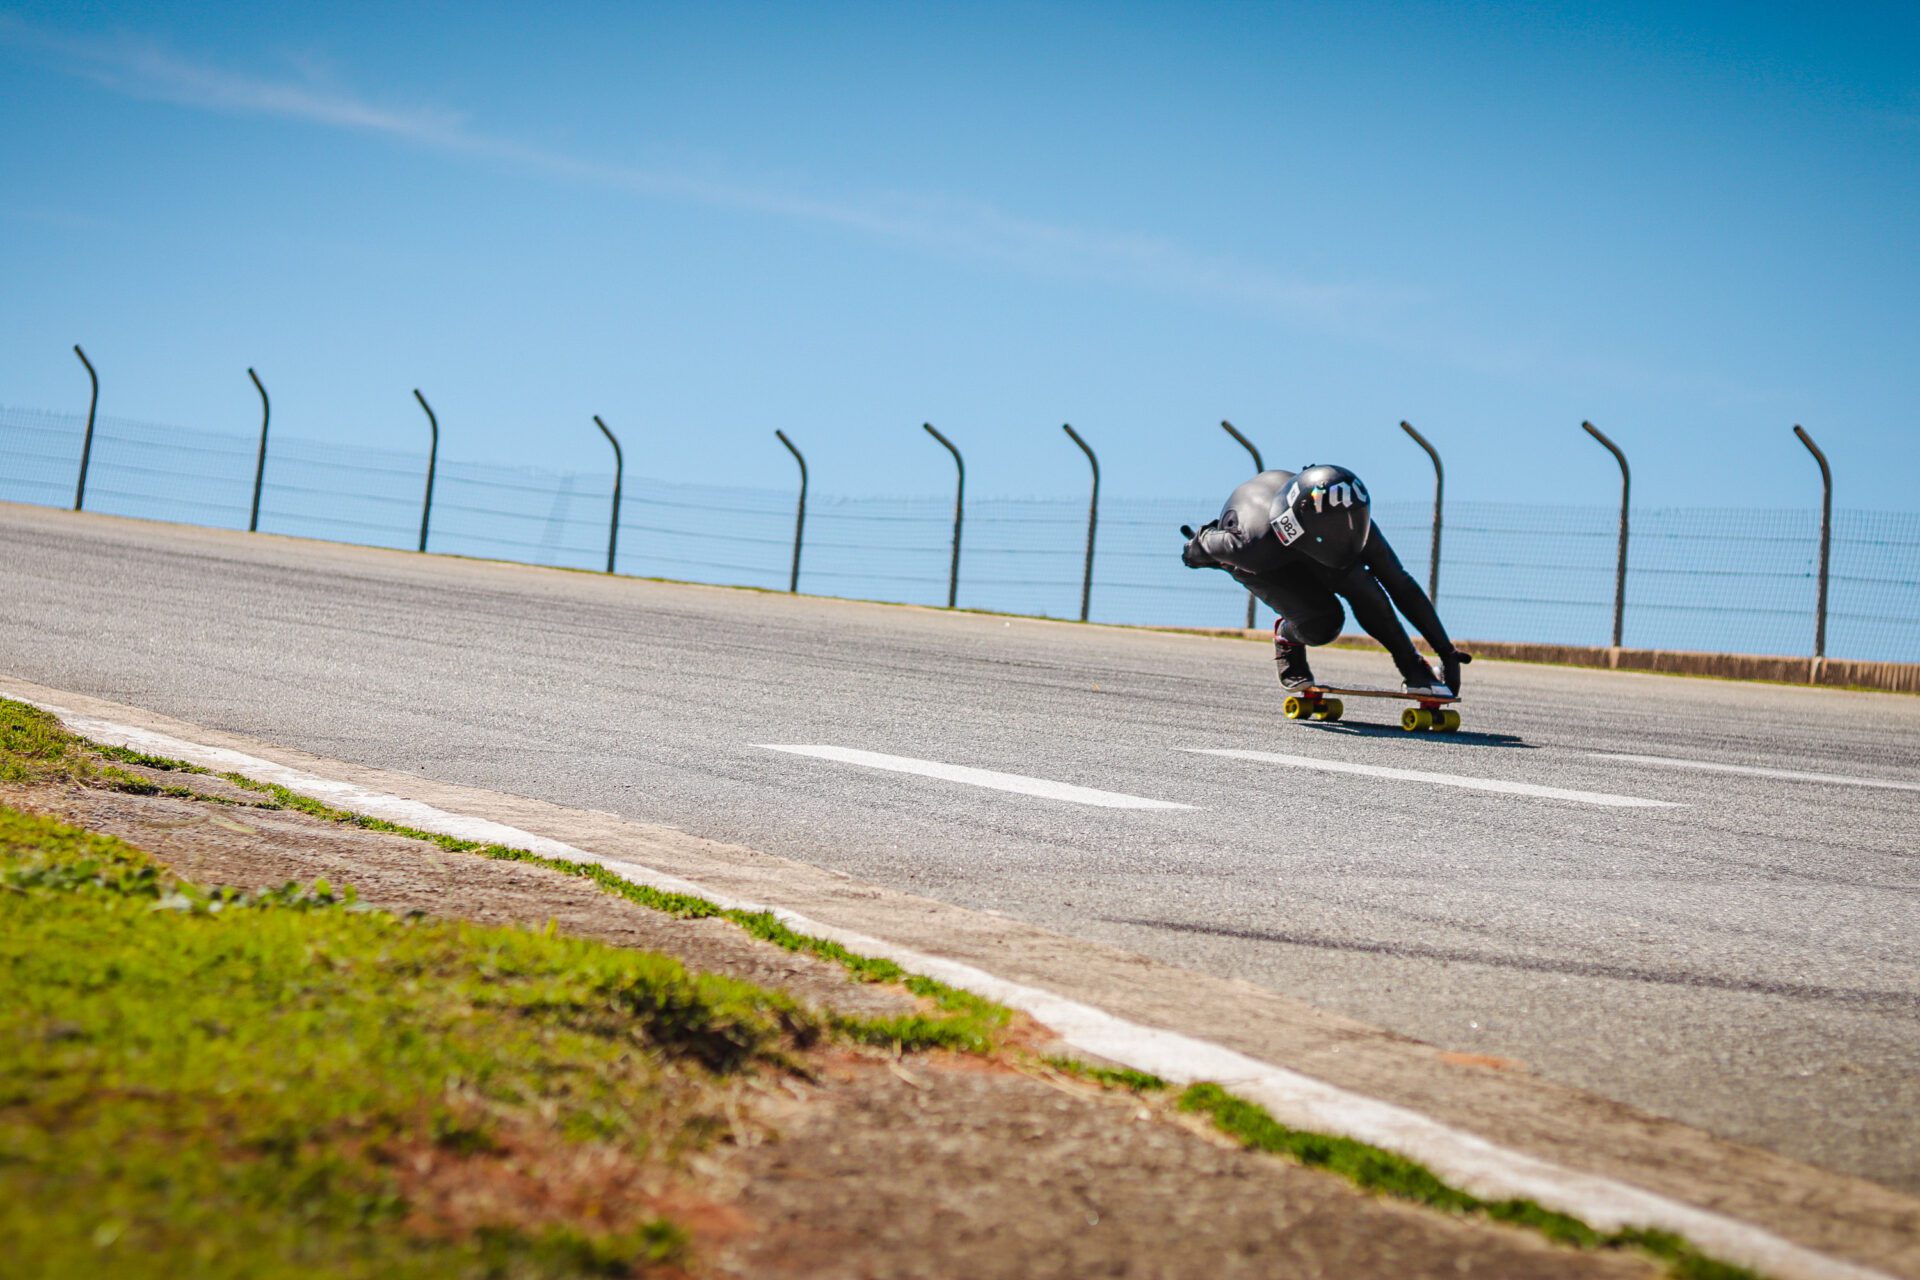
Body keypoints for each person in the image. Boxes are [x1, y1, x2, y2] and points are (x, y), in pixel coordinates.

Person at [1180, 465, 1469, 695]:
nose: (1344, 536)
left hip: (1294, 525)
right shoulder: (1250, 546)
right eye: (1333, 534)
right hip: (1264, 552)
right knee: (1323, 623)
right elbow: (1200, 547)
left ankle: (1412, 665)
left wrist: (1447, 651)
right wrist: (1196, 551)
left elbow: (1400, 585)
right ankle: (1287, 636)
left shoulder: (1352, 521)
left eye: (1346, 530)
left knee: (1363, 586)